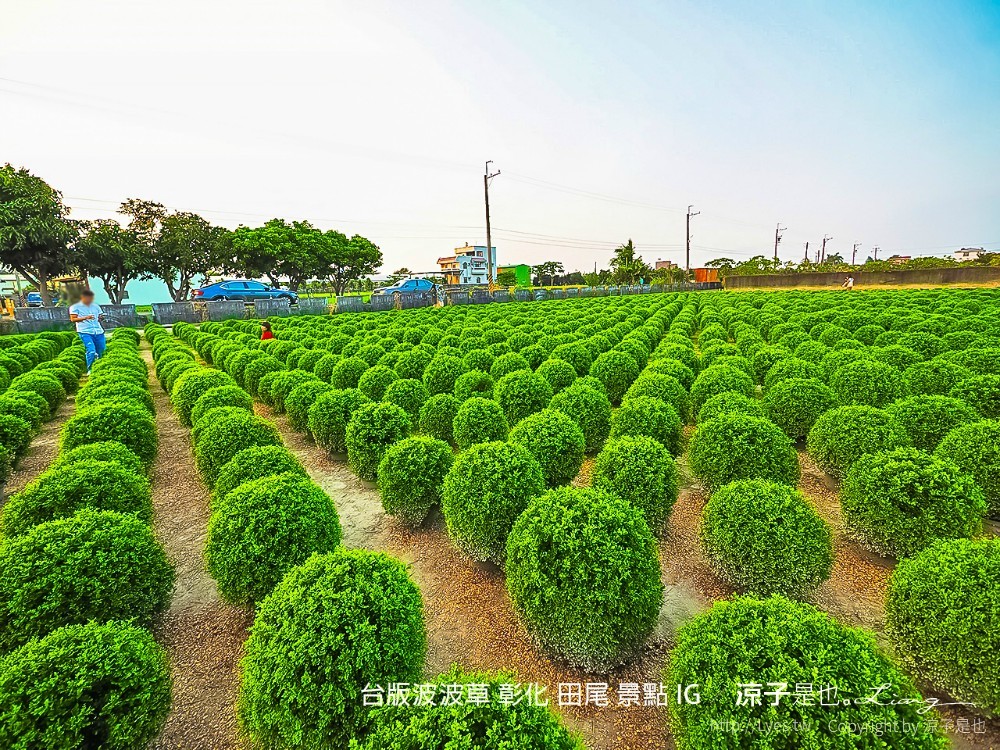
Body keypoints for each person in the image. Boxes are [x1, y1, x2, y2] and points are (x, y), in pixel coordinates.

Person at [68, 289, 105, 372]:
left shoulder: (95, 306)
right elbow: (73, 319)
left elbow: (100, 316)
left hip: (98, 331)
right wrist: (86, 317)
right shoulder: (75, 307)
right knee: (91, 350)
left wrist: (101, 318)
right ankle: (90, 369)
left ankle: (100, 367)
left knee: (102, 349)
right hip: (85, 331)